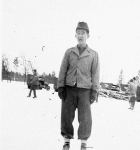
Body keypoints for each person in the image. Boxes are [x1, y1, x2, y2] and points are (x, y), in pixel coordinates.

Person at [57, 22, 100, 150]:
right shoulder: (69, 52)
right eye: (79, 33)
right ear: (75, 35)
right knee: (66, 116)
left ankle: (83, 144)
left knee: (85, 118)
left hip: (85, 91)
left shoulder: (93, 55)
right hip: (69, 89)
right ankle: (66, 142)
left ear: (88, 35)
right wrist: (61, 86)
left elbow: (96, 74)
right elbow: (63, 70)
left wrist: (95, 91)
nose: (81, 36)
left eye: (83, 33)